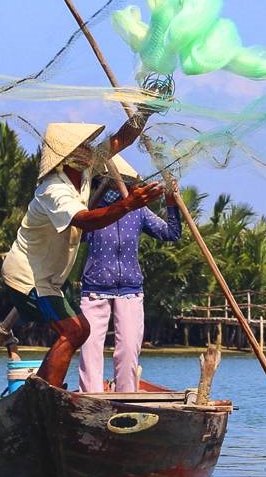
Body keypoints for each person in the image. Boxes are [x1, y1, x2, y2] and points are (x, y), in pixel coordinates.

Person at [1, 120, 163, 388]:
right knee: (75, 330)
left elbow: (120, 139)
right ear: (67, 158)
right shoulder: (53, 189)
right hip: (26, 278)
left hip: (47, 281)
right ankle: (45, 391)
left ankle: (43, 386)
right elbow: (86, 220)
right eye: (83, 147)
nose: (89, 150)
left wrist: (143, 113)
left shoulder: (85, 171)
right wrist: (128, 205)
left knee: (77, 330)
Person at [77, 155, 182, 393]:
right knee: (90, 349)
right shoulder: (90, 208)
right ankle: (91, 398)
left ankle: (125, 398)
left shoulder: (138, 212)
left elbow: (171, 233)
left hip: (130, 290)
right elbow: (72, 238)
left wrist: (171, 202)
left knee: (127, 352)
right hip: (95, 289)